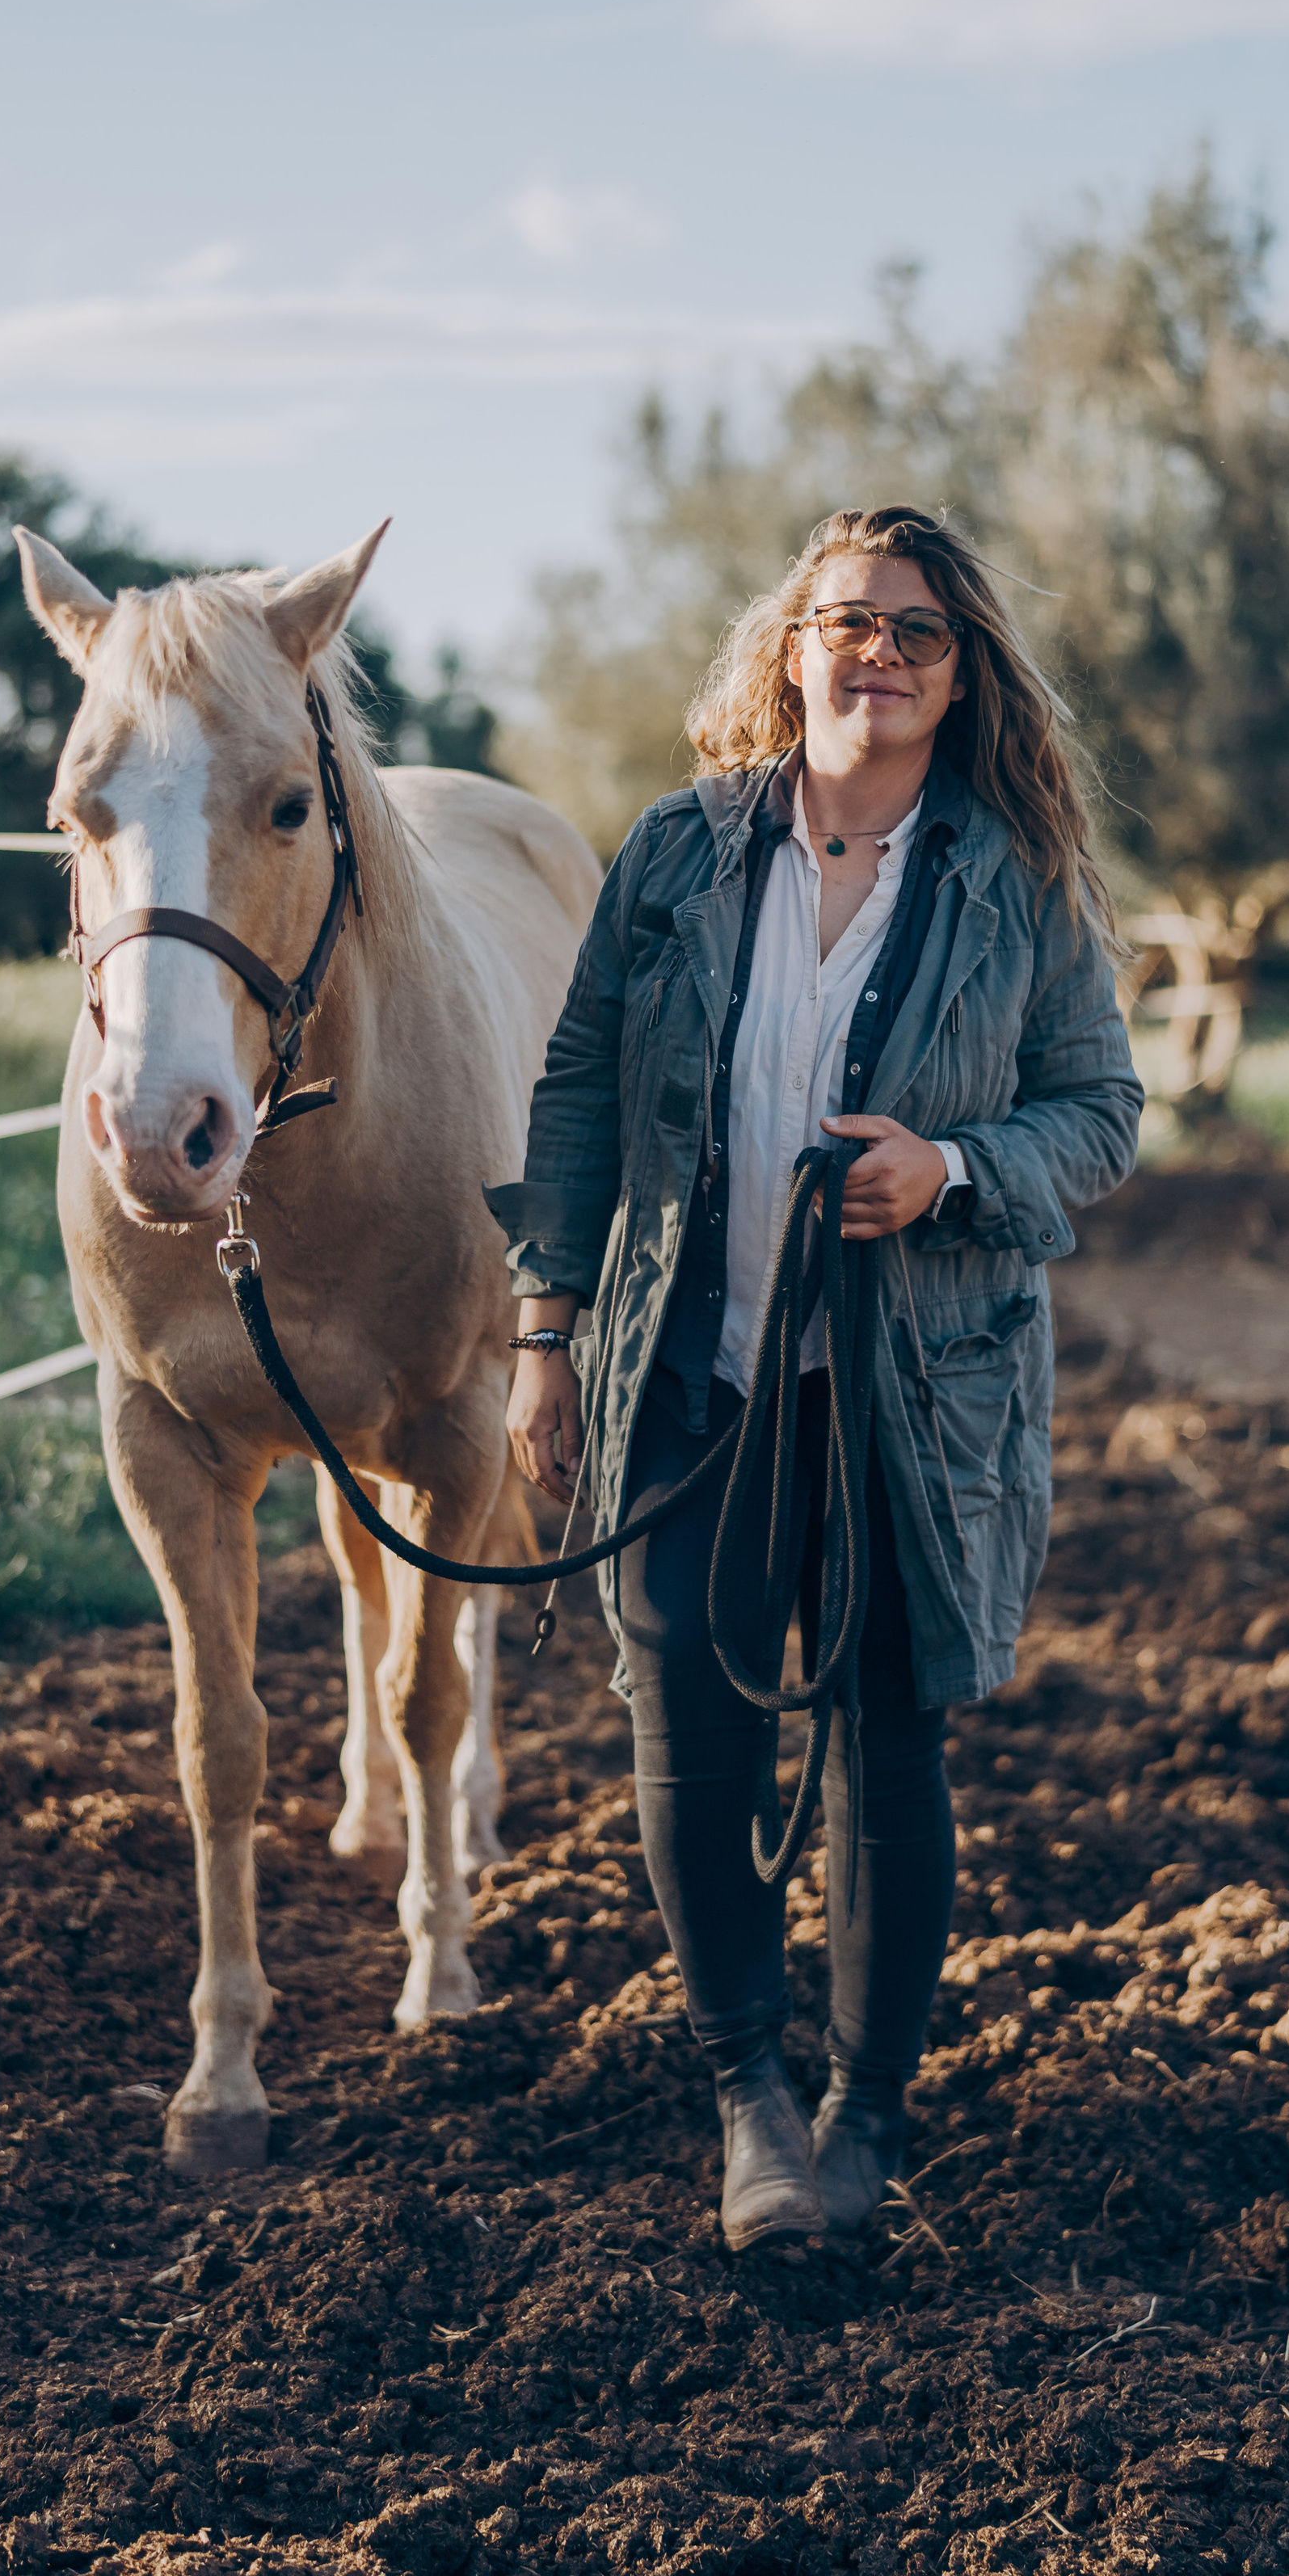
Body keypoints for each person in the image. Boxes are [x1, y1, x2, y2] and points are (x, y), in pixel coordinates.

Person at [487, 504, 1142, 2248]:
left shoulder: (1016, 881)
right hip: (692, 1381)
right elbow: (573, 1094)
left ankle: (863, 2113)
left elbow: (1098, 1115)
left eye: (914, 631)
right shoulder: (680, 854)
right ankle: (746, 2098)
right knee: (688, 1735)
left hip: (910, 1402)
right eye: (843, 619)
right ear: (788, 650)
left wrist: (950, 1171)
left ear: (959, 673)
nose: (875, 651)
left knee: (885, 1741)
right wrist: (544, 1330)